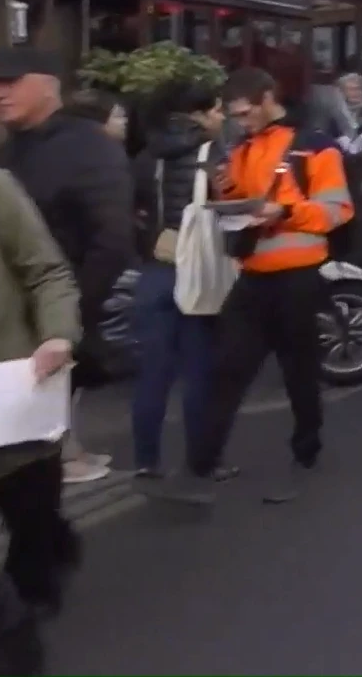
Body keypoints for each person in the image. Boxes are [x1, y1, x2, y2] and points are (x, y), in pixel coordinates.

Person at [141, 68, 353, 506]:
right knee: (227, 368)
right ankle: (200, 465)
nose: (241, 120)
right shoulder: (242, 147)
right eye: (235, 115)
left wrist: (284, 212)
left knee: (299, 372)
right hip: (254, 274)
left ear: (268, 97)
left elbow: (337, 210)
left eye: (246, 112)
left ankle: (306, 453)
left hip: (298, 274)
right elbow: (237, 192)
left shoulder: (315, 145)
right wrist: (227, 193)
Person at [0, 94, 80, 673]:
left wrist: (56, 335)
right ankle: (10, 631)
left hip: (5, 387)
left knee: (29, 519)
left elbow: (48, 270)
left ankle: (41, 569)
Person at [0, 46, 132, 496]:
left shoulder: (87, 147)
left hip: (61, 303)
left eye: (10, 82)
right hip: (8, 311)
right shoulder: (4, 153)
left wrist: (71, 312)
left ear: (47, 85)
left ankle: (61, 458)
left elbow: (112, 238)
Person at [128, 80, 231, 480]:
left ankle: (146, 460)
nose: (221, 117)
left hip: (156, 266)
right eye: (217, 109)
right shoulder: (212, 152)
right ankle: (202, 462)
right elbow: (227, 204)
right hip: (198, 270)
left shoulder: (147, 152)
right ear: (199, 114)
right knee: (199, 368)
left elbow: (132, 208)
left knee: (153, 371)